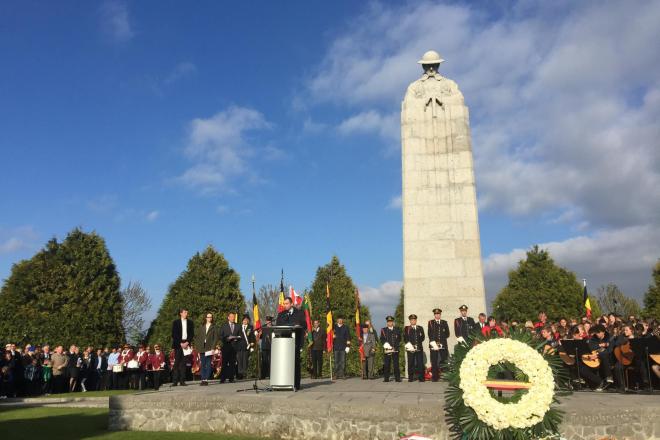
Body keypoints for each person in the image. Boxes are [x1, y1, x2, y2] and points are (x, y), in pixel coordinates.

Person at [275, 297, 306, 390]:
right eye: (284, 303)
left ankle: (296, 384)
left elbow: (304, 325)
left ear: (291, 304)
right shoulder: (281, 314)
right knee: (284, 362)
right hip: (283, 343)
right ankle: (284, 383)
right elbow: (277, 327)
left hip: (295, 341)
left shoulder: (299, 313)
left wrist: (298, 326)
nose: (285, 305)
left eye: (287, 303)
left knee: (295, 363)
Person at [194, 312, 220, 386]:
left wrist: (213, 347)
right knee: (203, 363)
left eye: (211, 317)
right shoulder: (201, 326)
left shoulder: (214, 327)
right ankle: (203, 379)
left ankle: (206, 379)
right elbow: (198, 337)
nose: (210, 318)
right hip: (202, 347)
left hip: (209, 347)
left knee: (208, 364)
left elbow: (215, 338)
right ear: (205, 318)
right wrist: (198, 347)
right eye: (208, 317)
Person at [171, 308, 195, 387]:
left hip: (187, 343)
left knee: (183, 363)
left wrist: (187, 342)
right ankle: (175, 381)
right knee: (177, 363)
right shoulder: (176, 322)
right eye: (185, 312)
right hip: (178, 344)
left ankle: (182, 381)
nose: (186, 314)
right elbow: (174, 334)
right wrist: (180, 343)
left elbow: (191, 334)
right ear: (181, 313)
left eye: (187, 312)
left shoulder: (190, 322)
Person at [428, 308, 450, 382]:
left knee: (444, 361)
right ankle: (435, 377)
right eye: (436, 314)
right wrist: (435, 343)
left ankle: (445, 376)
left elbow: (447, 333)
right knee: (434, 361)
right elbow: (430, 334)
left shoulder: (444, 322)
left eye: (438, 314)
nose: (437, 315)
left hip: (443, 345)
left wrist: (441, 342)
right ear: (434, 315)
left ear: (440, 315)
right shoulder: (431, 322)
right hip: (434, 345)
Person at [219, 312, 240, 383]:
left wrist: (237, 338)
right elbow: (221, 336)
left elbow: (240, 335)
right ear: (228, 317)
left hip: (234, 347)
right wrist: (226, 339)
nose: (233, 318)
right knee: (224, 363)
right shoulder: (224, 326)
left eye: (233, 317)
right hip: (226, 347)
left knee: (232, 363)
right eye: (231, 317)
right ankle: (223, 378)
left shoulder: (238, 326)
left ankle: (231, 378)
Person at [380, 316, 401, 382]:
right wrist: (386, 344)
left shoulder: (397, 329)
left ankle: (397, 378)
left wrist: (396, 346)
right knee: (387, 364)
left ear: (393, 322)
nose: (390, 323)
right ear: (387, 322)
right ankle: (386, 378)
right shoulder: (383, 330)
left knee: (396, 364)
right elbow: (382, 339)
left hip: (395, 349)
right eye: (388, 322)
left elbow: (399, 338)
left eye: (391, 321)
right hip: (387, 349)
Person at [404, 314, 425, 382]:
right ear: (410, 321)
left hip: (419, 348)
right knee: (411, 363)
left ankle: (421, 378)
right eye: (412, 320)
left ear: (416, 320)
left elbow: (423, 337)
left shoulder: (420, 328)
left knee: (420, 363)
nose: (413, 321)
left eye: (414, 320)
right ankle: (410, 378)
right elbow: (405, 338)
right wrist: (411, 346)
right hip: (410, 349)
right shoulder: (407, 328)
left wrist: (418, 343)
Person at [236, 315, 256, 380]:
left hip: (247, 346)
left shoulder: (250, 327)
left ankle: (244, 374)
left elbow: (252, 336)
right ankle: (239, 374)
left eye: (247, 320)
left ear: (248, 321)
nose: (245, 321)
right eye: (244, 320)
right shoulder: (239, 327)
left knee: (245, 360)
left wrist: (252, 343)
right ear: (242, 321)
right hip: (239, 346)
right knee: (239, 361)